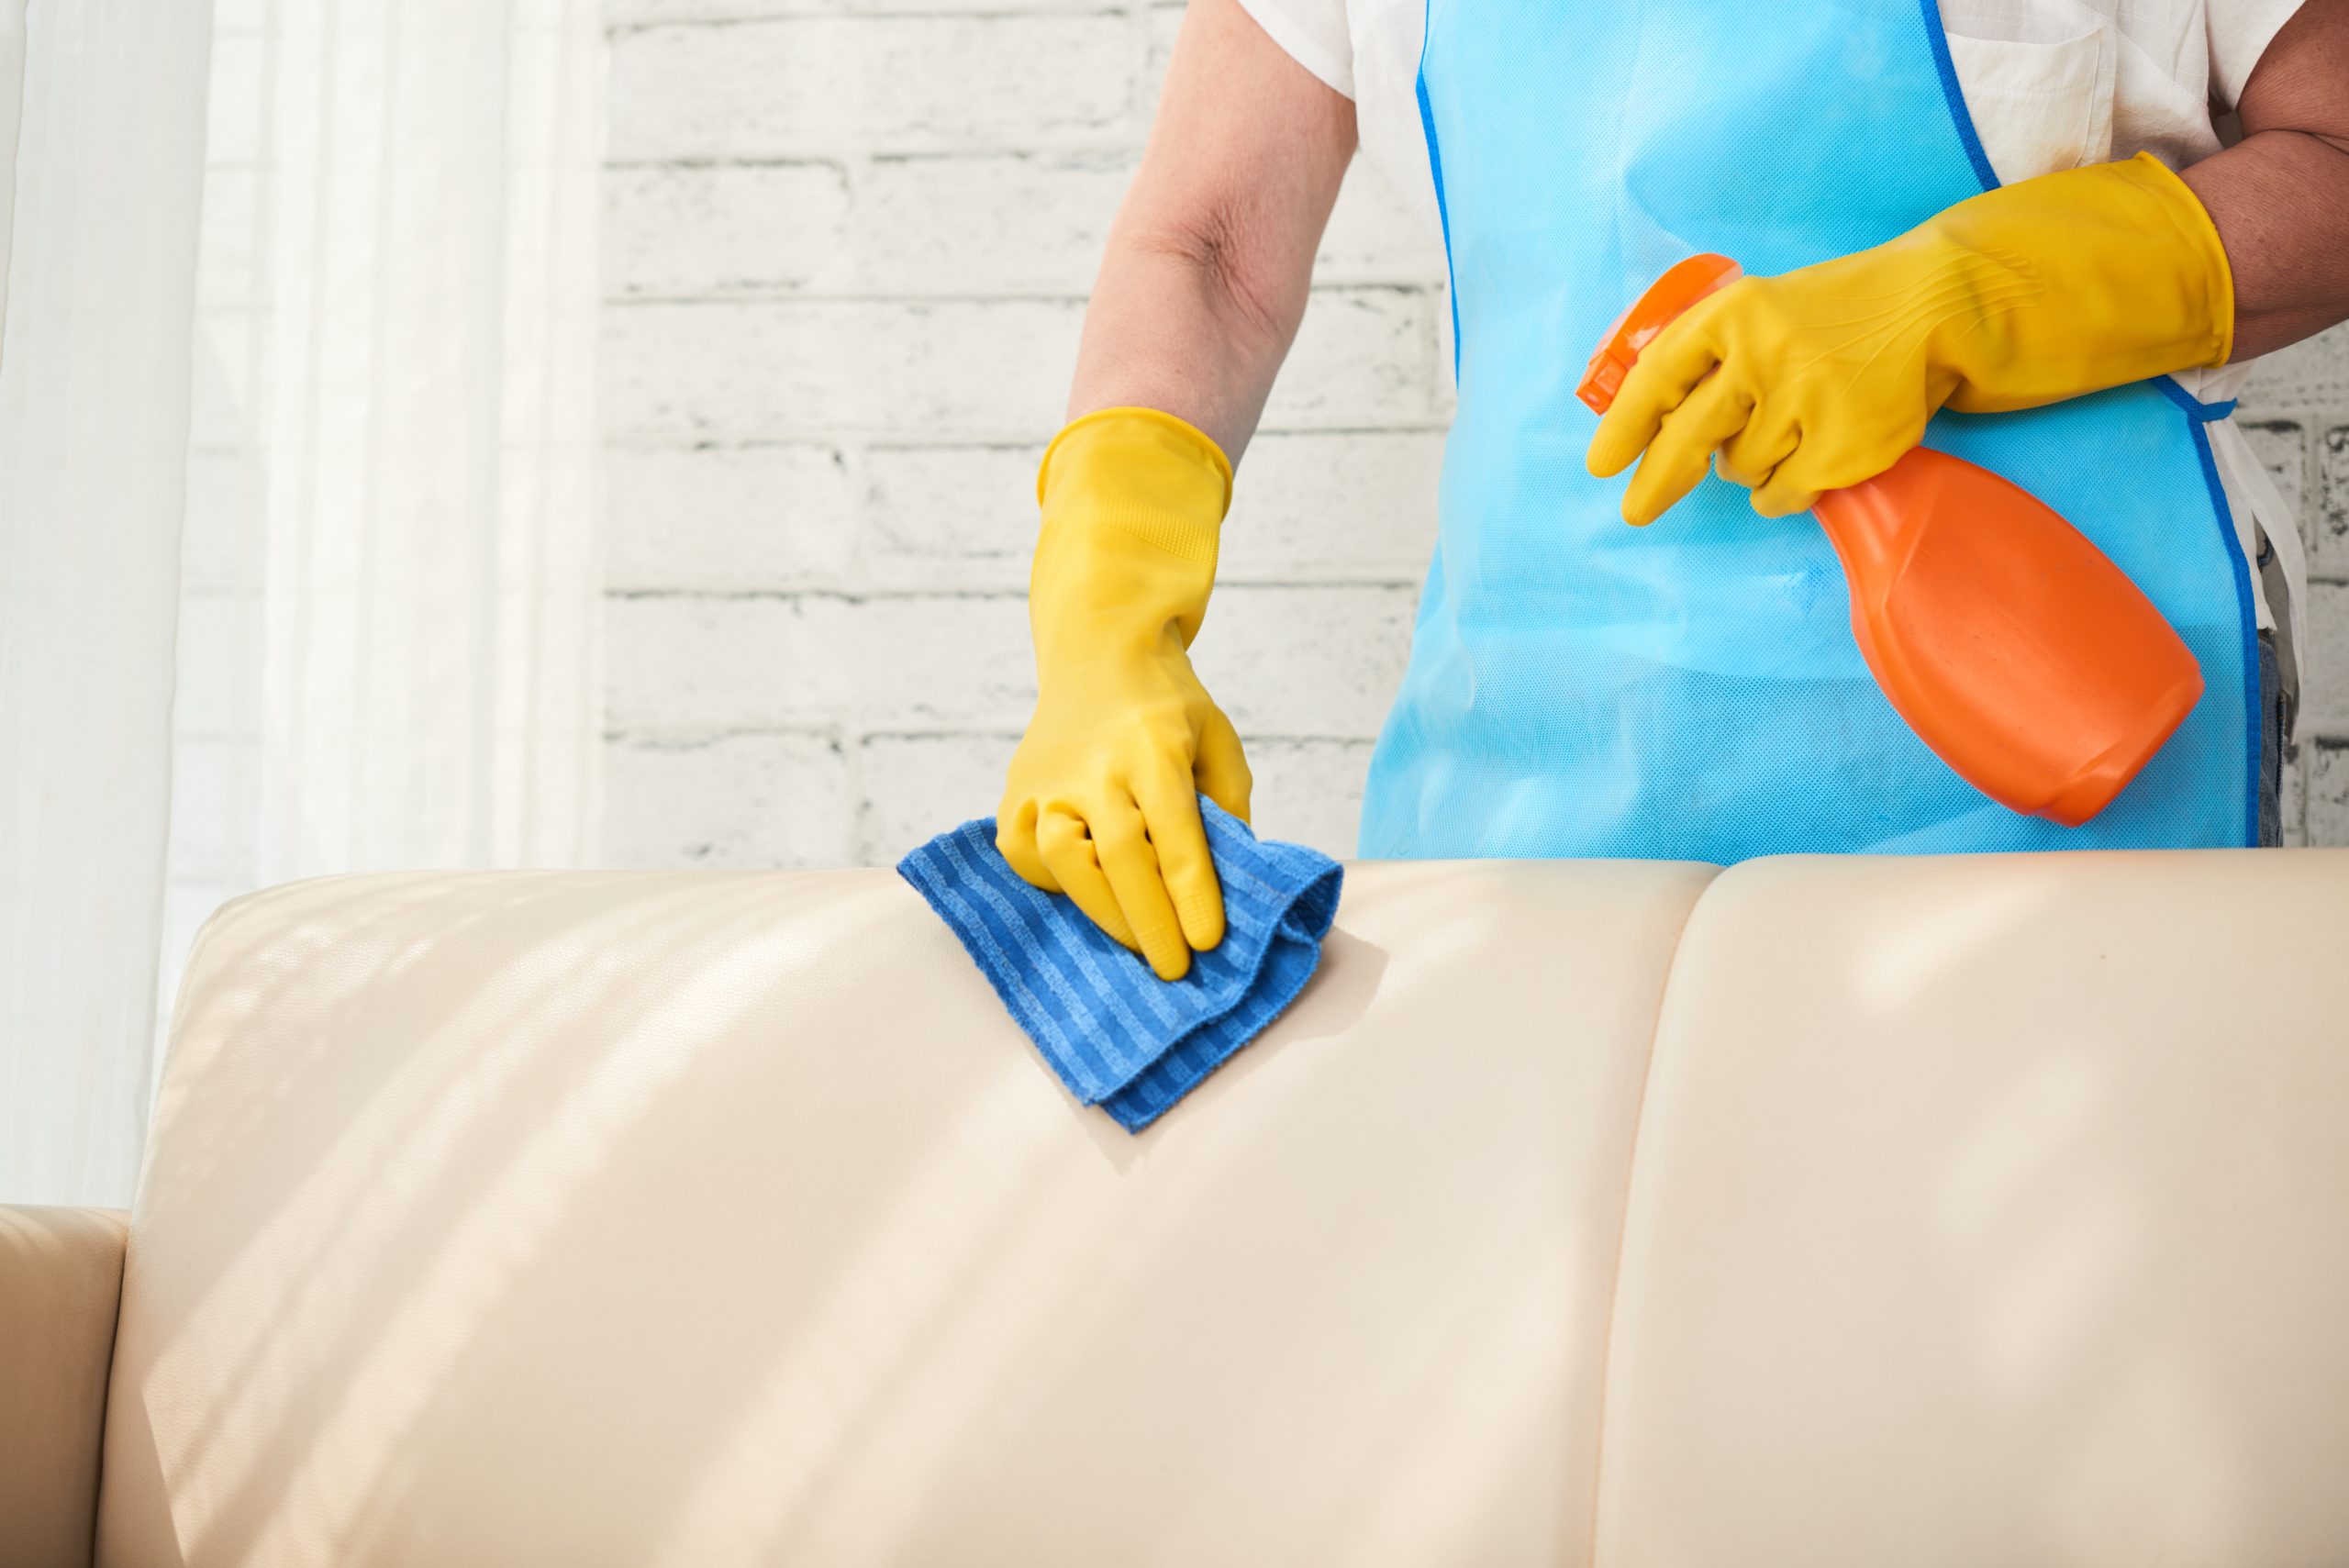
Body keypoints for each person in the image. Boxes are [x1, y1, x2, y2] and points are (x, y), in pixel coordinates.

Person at [996, 0, 2349, 979]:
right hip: (1542, 761)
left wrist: (1962, 299)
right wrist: (1105, 622)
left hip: (2045, 744)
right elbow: (1211, 242)